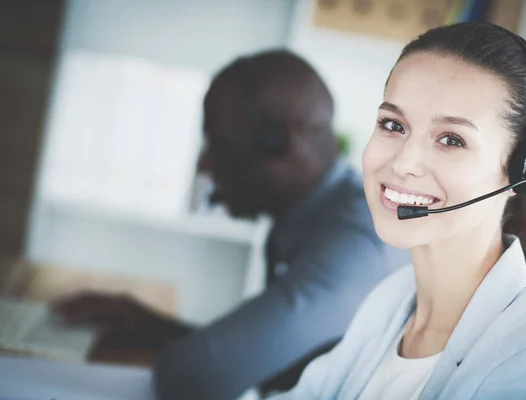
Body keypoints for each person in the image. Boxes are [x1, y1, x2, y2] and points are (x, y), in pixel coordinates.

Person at [50, 50, 410, 399]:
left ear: (277, 144)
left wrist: (195, 351)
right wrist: (155, 329)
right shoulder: (315, 215)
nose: (205, 164)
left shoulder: (358, 241)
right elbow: (279, 364)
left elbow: (198, 378)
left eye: (219, 144)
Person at [268, 22, 526, 400]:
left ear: (520, 171)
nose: (405, 162)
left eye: (451, 139)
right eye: (393, 125)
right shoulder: (391, 302)